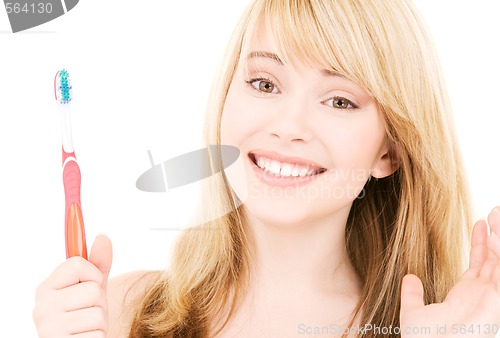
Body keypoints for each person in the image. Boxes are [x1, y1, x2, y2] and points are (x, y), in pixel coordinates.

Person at [33, 0, 500, 337]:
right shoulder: (119, 312)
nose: (288, 125)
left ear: (389, 153)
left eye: (339, 100)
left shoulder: (427, 330)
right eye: (264, 83)